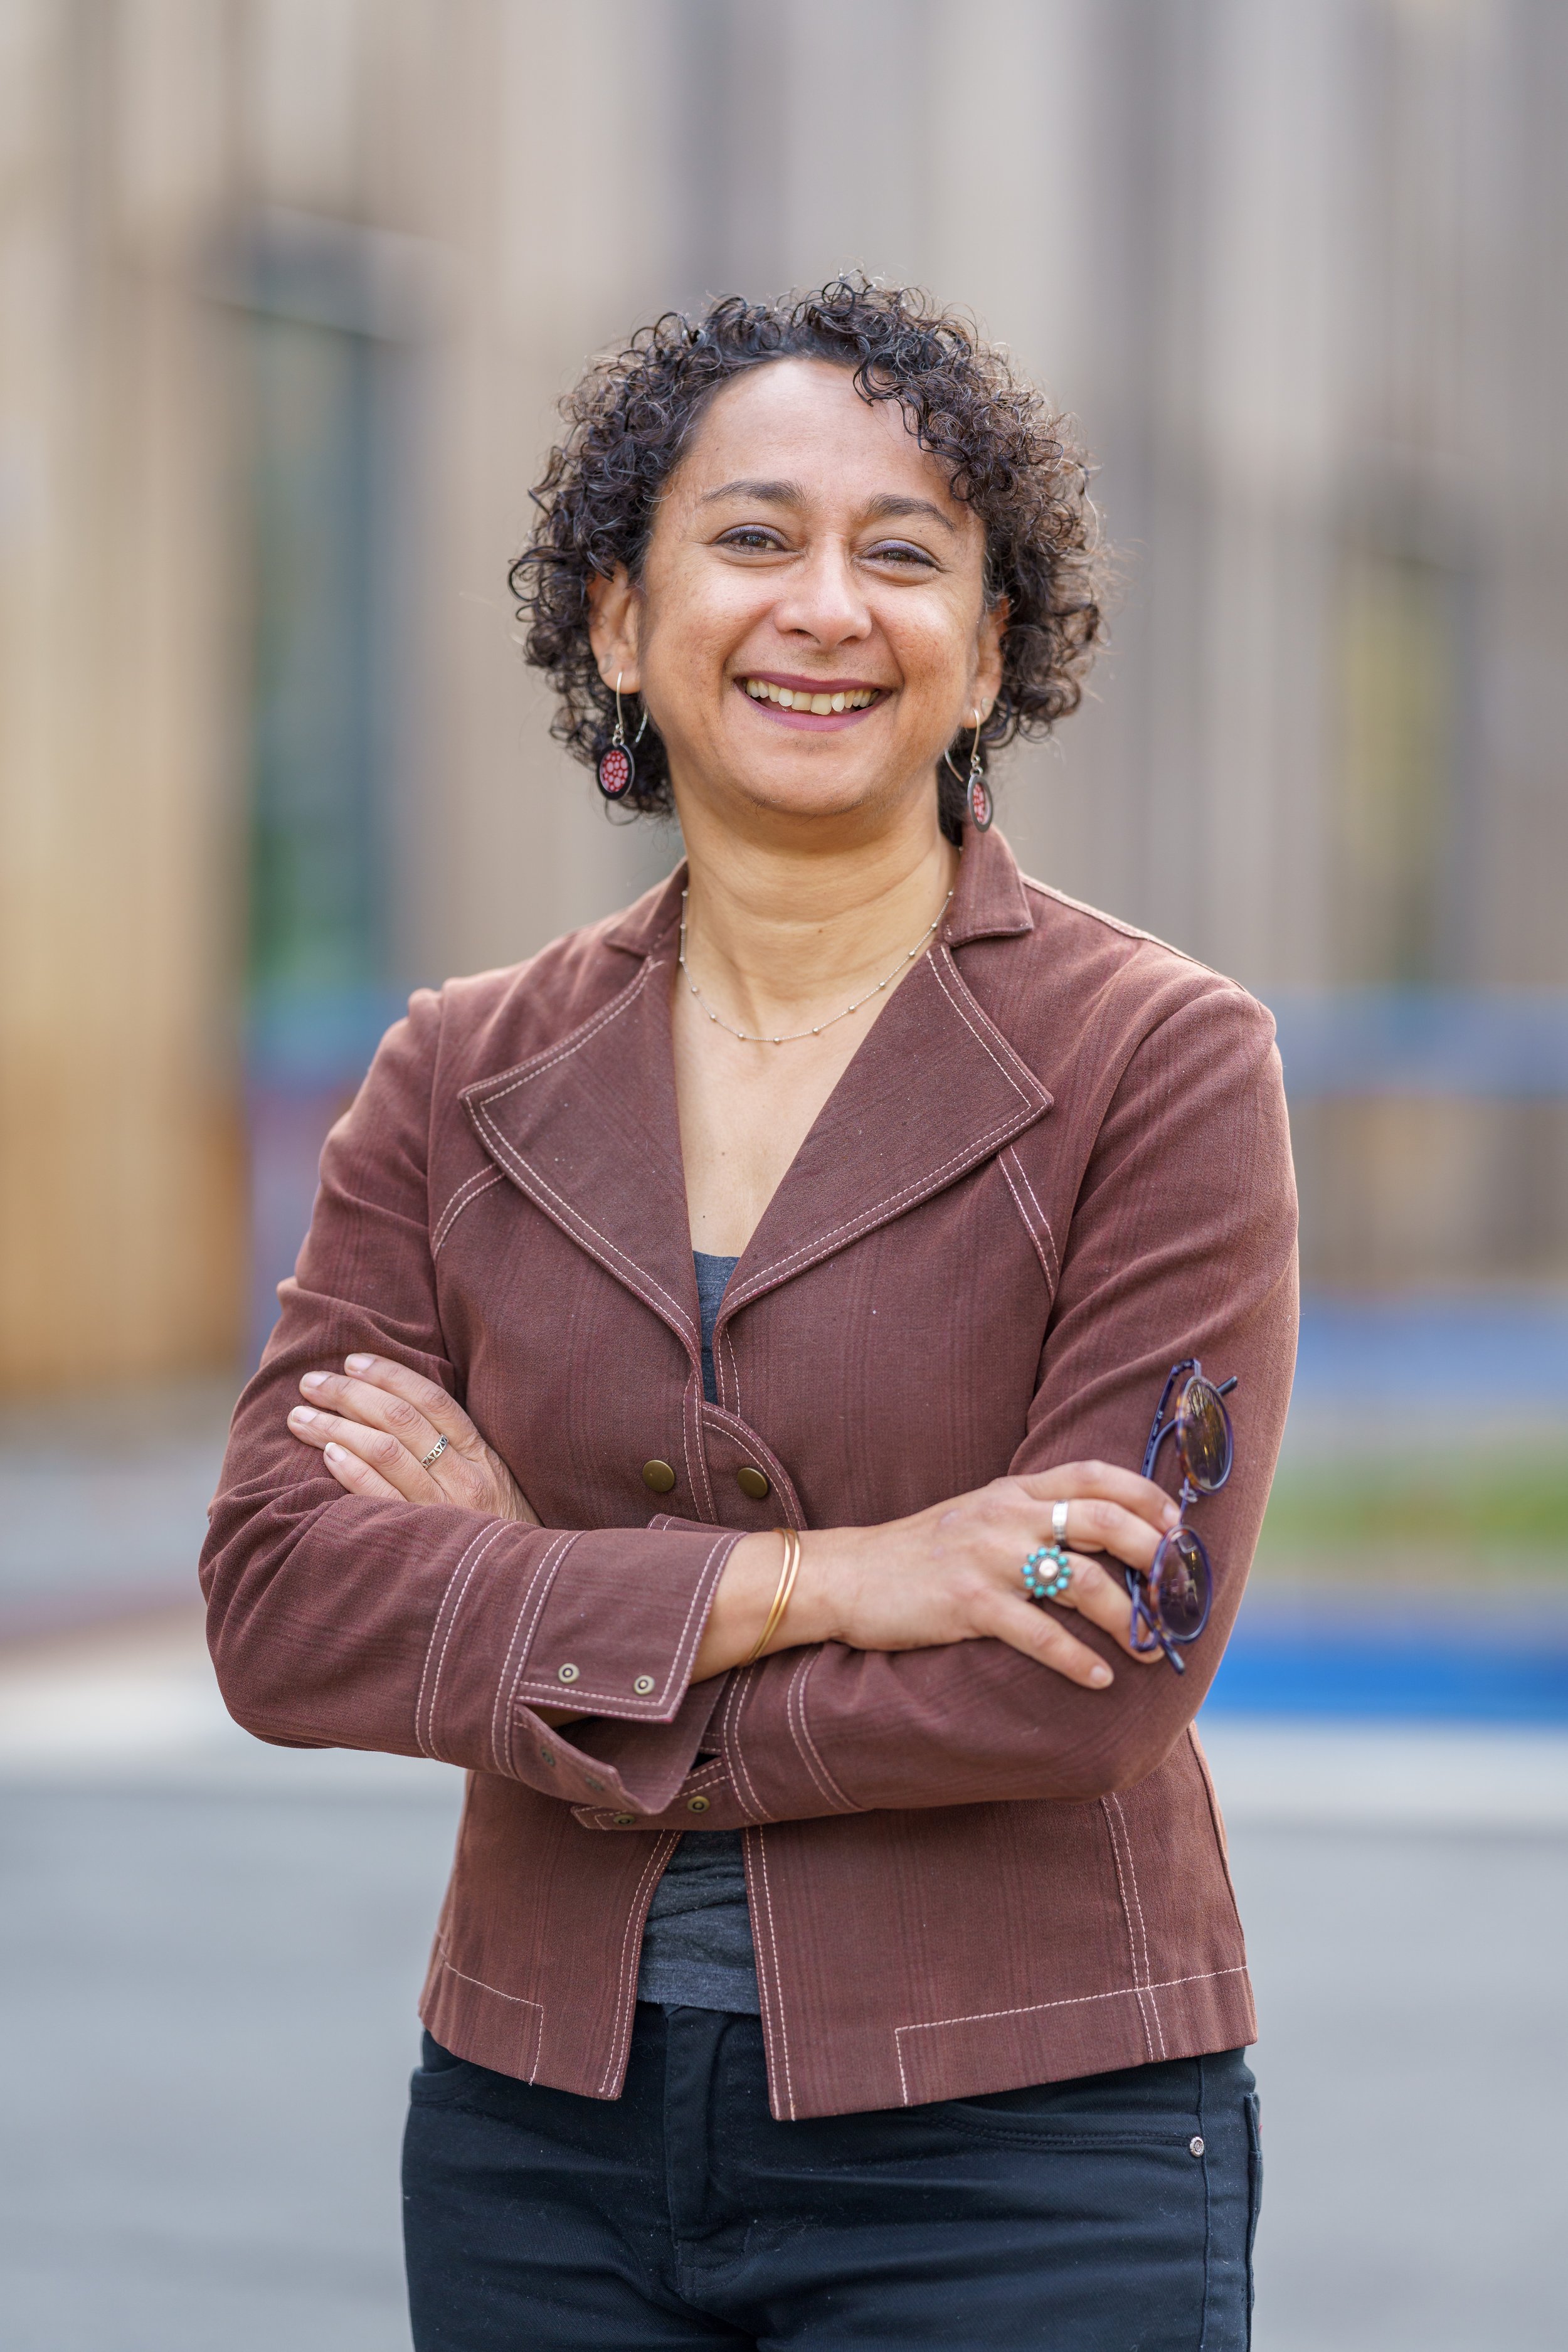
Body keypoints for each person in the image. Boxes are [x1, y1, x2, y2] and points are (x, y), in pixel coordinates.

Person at [203, 278, 1296, 2349]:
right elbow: (277, 1604)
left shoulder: (1159, 1059)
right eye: (753, 537)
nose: (826, 606)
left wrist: (533, 1594)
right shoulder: (458, 1071)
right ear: (620, 618)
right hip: (539, 2137)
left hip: (1029, 2136)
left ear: (986, 650)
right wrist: (838, 1577)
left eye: (903, 556)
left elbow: (1087, 1673)